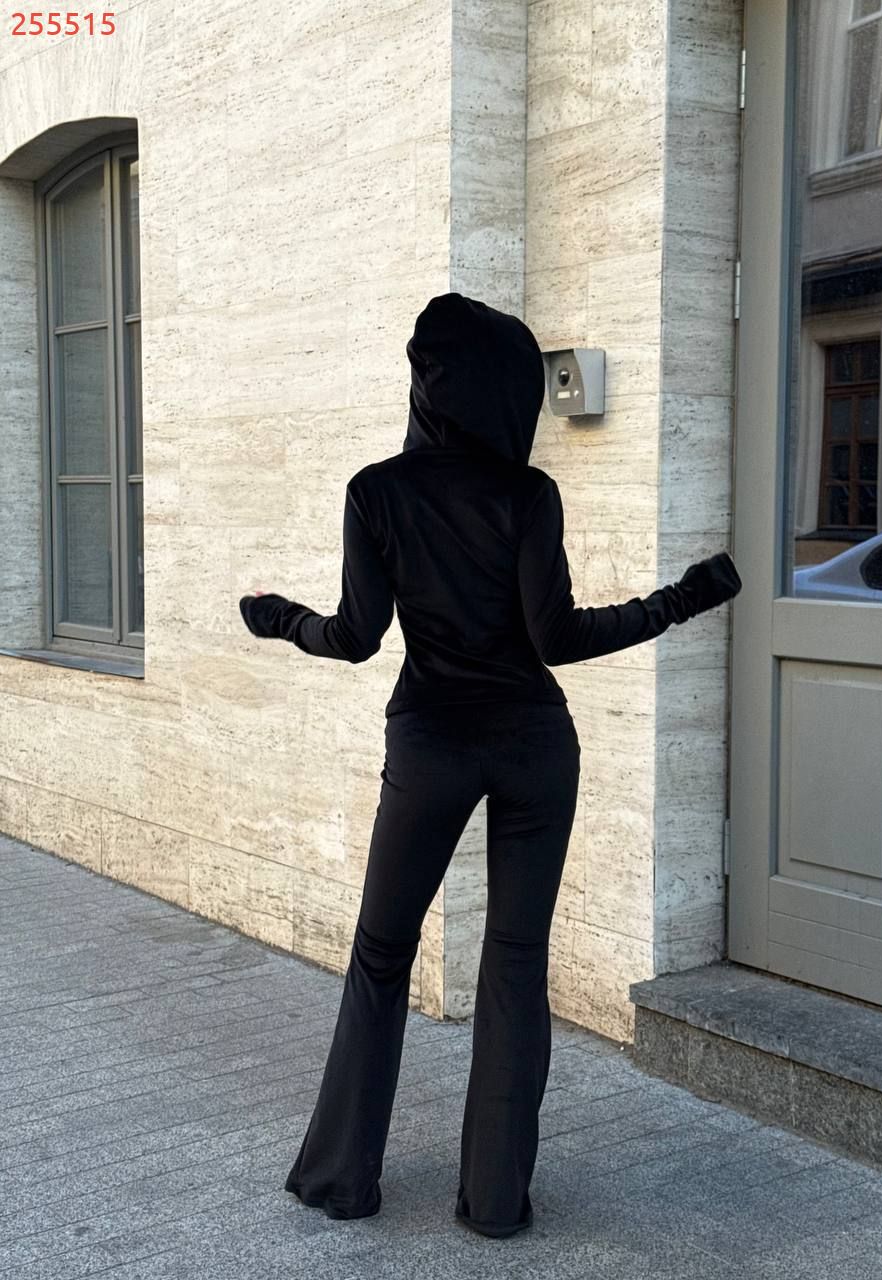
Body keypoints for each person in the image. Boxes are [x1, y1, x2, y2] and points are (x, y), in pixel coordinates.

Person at [238, 291, 742, 1238]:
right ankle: (496, 1202)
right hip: (535, 747)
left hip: (432, 742)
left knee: (381, 955)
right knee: (515, 961)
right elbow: (558, 638)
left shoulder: (376, 492)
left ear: (428, 384)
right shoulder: (528, 494)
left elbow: (355, 637)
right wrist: (678, 600)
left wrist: (279, 619)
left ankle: (343, 1180)